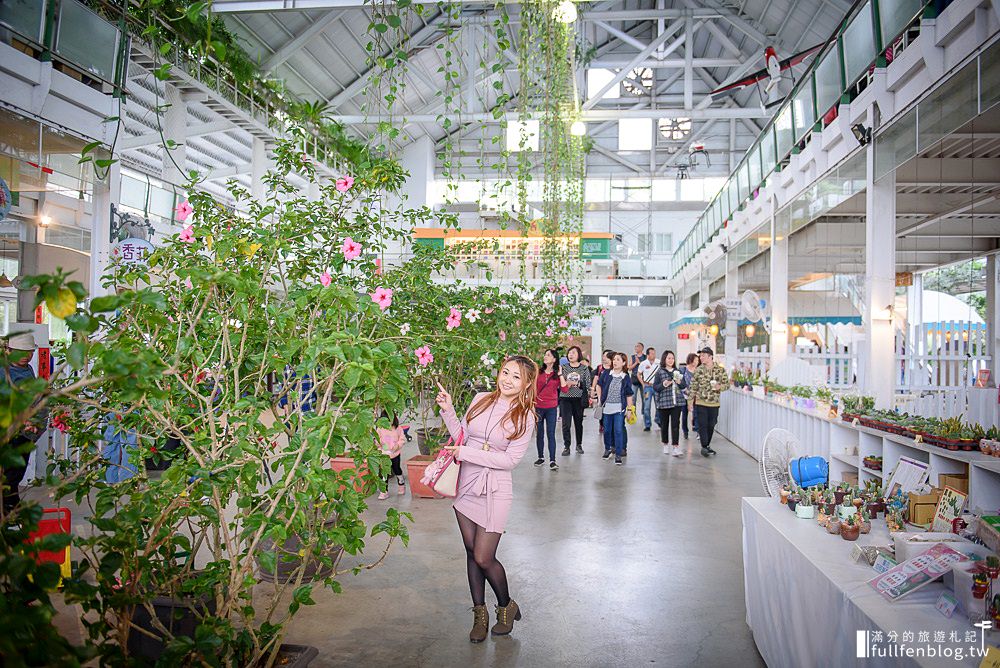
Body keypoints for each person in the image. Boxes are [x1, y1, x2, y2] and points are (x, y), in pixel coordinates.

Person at [436, 356, 538, 642]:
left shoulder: (525, 416)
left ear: (527, 383)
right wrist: (448, 411)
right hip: (466, 481)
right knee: (470, 552)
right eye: (505, 372)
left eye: (516, 377)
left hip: (495, 489)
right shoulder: (480, 398)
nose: (507, 380)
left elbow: (510, 460)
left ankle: (506, 605)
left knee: (483, 556)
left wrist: (466, 453)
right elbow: (462, 436)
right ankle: (479, 614)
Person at [0, 332, 46, 512]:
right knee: (10, 474)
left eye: (30, 352)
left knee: (16, 473)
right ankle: (9, 511)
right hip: (10, 430)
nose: (27, 356)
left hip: (26, 432)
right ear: (9, 350)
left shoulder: (27, 369)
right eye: (21, 352)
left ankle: (11, 509)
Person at [688, 347, 730, 457]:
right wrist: (690, 401)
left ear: (710, 356)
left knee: (712, 424)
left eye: (703, 356)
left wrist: (719, 386)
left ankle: (706, 446)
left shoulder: (720, 370)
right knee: (702, 424)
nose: (701, 358)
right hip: (701, 402)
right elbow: (693, 386)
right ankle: (704, 446)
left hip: (714, 403)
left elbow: (727, 384)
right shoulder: (698, 370)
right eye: (700, 356)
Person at [596, 352, 635, 466]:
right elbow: (599, 385)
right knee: (607, 430)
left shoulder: (625, 377)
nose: (615, 361)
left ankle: (618, 454)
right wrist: (599, 399)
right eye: (614, 359)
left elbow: (629, 394)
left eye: (618, 360)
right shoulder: (606, 374)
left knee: (618, 431)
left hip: (619, 409)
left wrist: (629, 410)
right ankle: (607, 449)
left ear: (623, 363)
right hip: (607, 408)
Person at [558, 345, 592, 455]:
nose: (570, 355)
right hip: (565, 398)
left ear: (579, 355)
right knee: (566, 424)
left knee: (578, 422)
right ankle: (566, 446)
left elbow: (587, 384)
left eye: (573, 352)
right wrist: (565, 384)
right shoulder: (564, 367)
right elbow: (560, 383)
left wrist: (577, 383)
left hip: (578, 399)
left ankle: (579, 445)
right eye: (569, 353)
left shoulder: (584, 368)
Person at [652, 350, 687, 456]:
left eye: (672, 358)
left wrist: (680, 382)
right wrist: (664, 384)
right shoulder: (660, 372)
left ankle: (676, 447)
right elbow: (655, 387)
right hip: (664, 402)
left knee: (675, 424)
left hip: (677, 402)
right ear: (664, 359)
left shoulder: (679, 371)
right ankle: (665, 444)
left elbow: (684, 386)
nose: (671, 360)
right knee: (664, 424)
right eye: (669, 358)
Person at [533, 349, 561, 471]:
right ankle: (541, 457)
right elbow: (533, 388)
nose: (545, 356)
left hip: (551, 408)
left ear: (554, 359)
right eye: (545, 354)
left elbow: (564, 390)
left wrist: (560, 374)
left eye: (548, 355)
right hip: (538, 407)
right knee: (539, 433)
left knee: (551, 434)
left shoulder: (557, 374)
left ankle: (553, 460)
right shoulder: (538, 372)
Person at [376, 411, 406, 500]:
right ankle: (384, 491)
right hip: (383, 455)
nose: (388, 423)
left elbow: (402, 439)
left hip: (395, 454)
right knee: (384, 473)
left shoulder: (398, 428)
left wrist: (397, 446)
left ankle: (401, 484)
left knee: (397, 470)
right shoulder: (380, 429)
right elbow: (377, 439)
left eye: (390, 420)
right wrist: (379, 444)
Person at [637, 347, 660, 431]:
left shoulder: (659, 362)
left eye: (654, 353)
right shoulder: (643, 363)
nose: (654, 354)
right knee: (646, 406)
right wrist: (642, 384)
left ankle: (658, 419)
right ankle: (647, 424)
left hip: (656, 387)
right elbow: (638, 374)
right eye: (652, 353)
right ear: (647, 355)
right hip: (647, 387)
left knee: (658, 405)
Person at [591, 350, 613, 434]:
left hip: (610, 392)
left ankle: (608, 425)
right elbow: (596, 378)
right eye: (603, 356)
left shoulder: (613, 368)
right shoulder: (600, 367)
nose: (604, 358)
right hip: (601, 391)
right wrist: (593, 389)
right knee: (601, 408)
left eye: (606, 356)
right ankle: (602, 424)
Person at [681, 353, 700, 439]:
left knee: (696, 413)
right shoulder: (683, 370)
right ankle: (685, 431)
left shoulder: (698, 370)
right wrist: (686, 390)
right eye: (695, 360)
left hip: (695, 395)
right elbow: (680, 382)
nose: (697, 361)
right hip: (685, 395)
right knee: (684, 415)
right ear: (690, 360)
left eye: (697, 360)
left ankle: (697, 430)